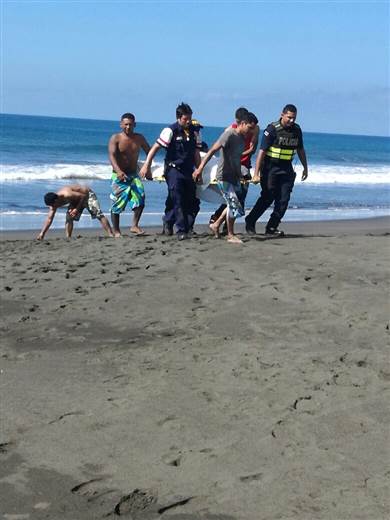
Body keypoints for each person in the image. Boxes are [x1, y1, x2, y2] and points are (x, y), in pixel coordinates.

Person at [140, 103, 202, 240]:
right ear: (179, 118)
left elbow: (196, 153)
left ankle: (169, 222)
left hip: (189, 170)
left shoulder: (195, 132)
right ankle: (181, 230)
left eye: (189, 119)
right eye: (185, 119)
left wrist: (199, 170)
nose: (188, 122)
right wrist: (146, 166)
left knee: (192, 200)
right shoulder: (170, 130)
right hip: (173, 169)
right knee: (177, 198)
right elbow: (155, 148)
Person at [245, 104, 308, 236]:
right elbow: (261, 152)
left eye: (294, 118)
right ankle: (250, 221)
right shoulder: (272, 129)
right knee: (267, 197)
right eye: (289, 117)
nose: (291, 121)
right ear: (282, 115)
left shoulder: (297, 130)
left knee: (284, 199)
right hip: (270, 168)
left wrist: (305, 168)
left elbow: (300, 150)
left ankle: (272, 227)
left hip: (287, 168)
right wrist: (256, 174)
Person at [193, 111, 253, 244]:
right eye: (249, 127)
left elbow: (237, 158)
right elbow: (212, 150)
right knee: (233, 204)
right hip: (223, 176)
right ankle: (230, 234)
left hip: (234, 176)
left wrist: (239, 174)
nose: (250, 131)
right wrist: (200, 168)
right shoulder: (229, 134)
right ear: (242, 123)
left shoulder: (242, 138)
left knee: (236, 203)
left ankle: (216, 224)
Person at [209, 109, 259, 227]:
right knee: (233, 199)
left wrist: (239, 154)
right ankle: (218, 220)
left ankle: (223, 224)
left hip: (243, 165)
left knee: (239, 199)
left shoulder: (254, 128)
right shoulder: (230, 131)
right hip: (230, 168)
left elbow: (252, 149)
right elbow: (216, 149)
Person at [108, 113, 151, 237]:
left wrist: (147, 168)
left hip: (133, 175)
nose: (128, 127)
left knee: (140, 198)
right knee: (117, 204)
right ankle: (116, 231)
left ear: (135, 125)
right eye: (125, 124)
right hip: (119, 176)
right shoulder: (115, 138)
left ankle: (134, 225)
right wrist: (119, 171)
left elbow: (149, 152)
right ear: (121, 124)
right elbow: (111, 156)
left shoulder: (139, 138)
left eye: (130, 125)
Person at [36, 185, 113, 240]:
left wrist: (76, 209)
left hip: (87, 195)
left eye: (52, 205)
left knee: (98, 214)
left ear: (56, 200)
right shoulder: (53, 204)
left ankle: (111, 234)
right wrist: (42, 233)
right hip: (76, 199)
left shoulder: (67, 194)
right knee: (69, 217)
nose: (52, 207)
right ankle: (68, 237)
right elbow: (49, 219)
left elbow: (82, 196)